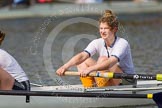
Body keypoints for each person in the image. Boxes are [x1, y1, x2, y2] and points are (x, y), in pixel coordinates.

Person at [56, 10, 135, 88]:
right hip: (109, 77)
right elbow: (82, 56)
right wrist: (65, 67)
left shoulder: (122, 43)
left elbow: (111, 62)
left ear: (114, 29)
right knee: (83, 62)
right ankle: (90, 88)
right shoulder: (97, 42)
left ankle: (101, 92)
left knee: (103, 59)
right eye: (101, 28)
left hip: (127, 81)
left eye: (105, 28)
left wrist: (90, 69)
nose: (102, 31)